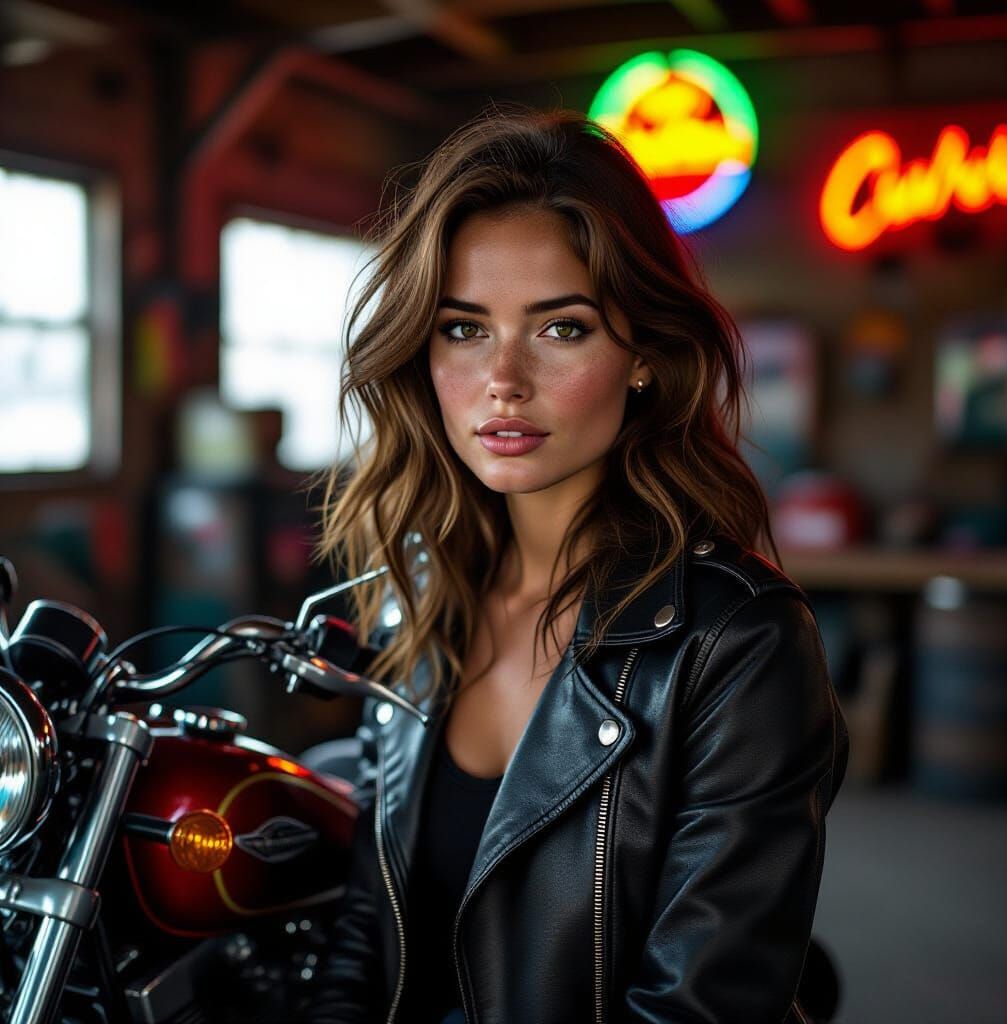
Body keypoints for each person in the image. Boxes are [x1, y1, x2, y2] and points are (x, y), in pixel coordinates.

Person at [298, 103, 849, 1024]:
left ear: (643, 355)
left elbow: (698, 1010)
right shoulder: (417, 604)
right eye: (464, 329)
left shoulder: (736, 642)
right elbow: (370, 933)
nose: (503, 378)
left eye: (562, 329)